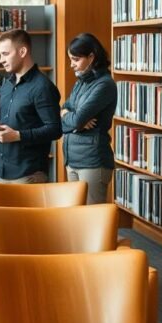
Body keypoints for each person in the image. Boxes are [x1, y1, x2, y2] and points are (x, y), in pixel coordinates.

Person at [0, 29, 62, 183]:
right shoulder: (6, 85)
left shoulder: (42, 87)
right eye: (1, 55)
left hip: (29, 173)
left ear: (22, 51)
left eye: (6, 54)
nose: (1, 60)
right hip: (2, 171)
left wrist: (18, 135)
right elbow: (9, 123)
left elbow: (55, 129)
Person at [61, 33, 117, 204]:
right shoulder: (81, 83)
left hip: (93, 161)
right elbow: (64, 112)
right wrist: (67, 116)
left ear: (91, 57)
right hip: (72, 159)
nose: (72, 65)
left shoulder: (104, 84)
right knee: (76, 217)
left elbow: (76, 119)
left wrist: (72, 119)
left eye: (76, 59)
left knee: (92, 219)